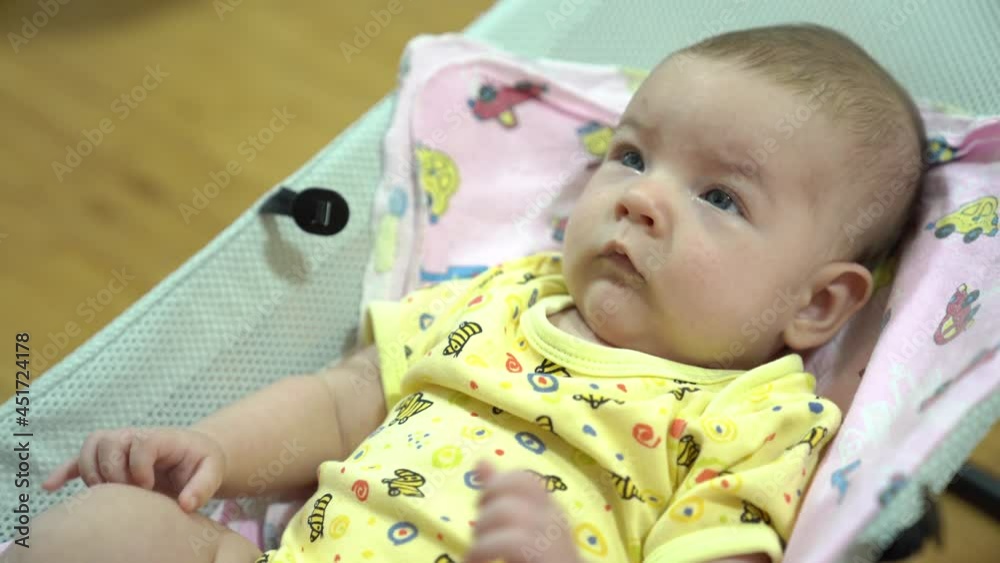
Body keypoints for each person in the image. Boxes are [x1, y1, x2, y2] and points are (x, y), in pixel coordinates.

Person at [14, 23, 925, 563]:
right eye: (634, 157)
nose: (642, 197)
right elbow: (346, 400)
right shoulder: (503, 297)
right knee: (113, 527)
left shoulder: (757, 416)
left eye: (721, 196)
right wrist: (212, 448)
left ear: (817, 305)